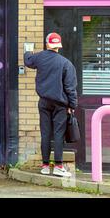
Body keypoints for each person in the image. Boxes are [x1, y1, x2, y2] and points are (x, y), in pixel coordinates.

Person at [24, 32, 77, 178]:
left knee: (45, 134)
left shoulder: (39, 58)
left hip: (44, 102)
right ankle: (59, 166)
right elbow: (70, 88)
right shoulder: (66, 63)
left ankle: (45, 166)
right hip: (60, 105)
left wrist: (28, 50)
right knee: (58, 134)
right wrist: (72, 105)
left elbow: (28, 60)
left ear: (47, 44)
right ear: (59, 46)